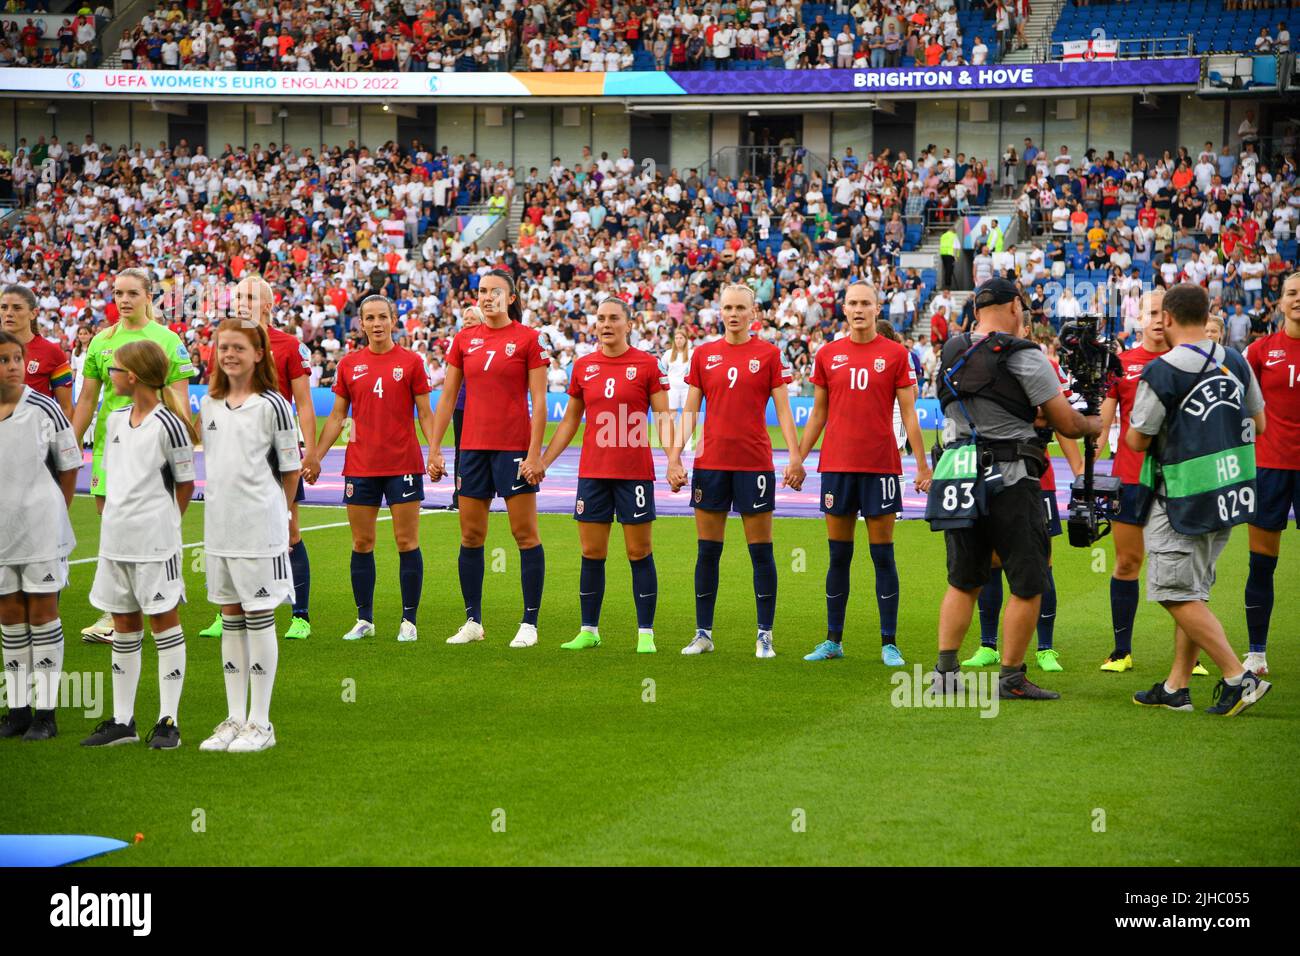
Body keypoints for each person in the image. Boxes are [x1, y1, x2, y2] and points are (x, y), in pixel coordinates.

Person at [926, 278, 1101, 700]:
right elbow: (1067, 422)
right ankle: (1010, 677)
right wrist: (1094, 423)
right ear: (1012, 307)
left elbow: (977, 407)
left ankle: (945, 672)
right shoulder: (1024, 355)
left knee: (963, 579)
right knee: (1028, 578)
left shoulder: (949, 352)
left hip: (959, 472)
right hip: (1011, 477)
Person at [1127, 283, 1270, 715]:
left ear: (1167, 318)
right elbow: (1259, 424)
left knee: (1174, 592)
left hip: (1181, 496)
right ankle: (1176, 687)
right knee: (1194, 590)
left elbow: (1136, 440)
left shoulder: (1162, 371)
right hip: (1227, 491)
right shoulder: (1236, 360)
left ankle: (1236, 676)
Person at [797, 282, 932, 664]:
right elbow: (819, 413)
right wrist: (798, 458)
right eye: (853, 303)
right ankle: (833, 640)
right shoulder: (827, 354)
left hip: (881, 466)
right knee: (838, 556)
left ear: (877, 308)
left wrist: (922, 465)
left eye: (865, 303)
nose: (858, 309)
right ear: (844, 308)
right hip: (837, 466)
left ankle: (889, 642)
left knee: (882, 556)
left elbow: (909, 414)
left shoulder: (895, 354)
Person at [674, 284, 805, 658]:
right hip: (711, 464)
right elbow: (690, 412)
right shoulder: (704, 355)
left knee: (761, 552)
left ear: (753, 314)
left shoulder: (768, 354)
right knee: (707, 552)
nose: (733, 314)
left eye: (739, 308)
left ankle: (765, 634)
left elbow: (783, 410)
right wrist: (674, 456)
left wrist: (795, 456)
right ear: (720, 311)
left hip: (754, 464)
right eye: (727, 307)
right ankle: (703, 633)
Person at [539, 298, 676, 653]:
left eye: (614, 318)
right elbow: (570, 419)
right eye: (600, 318)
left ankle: (645, 633)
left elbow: (664, 418)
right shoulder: (583, 366)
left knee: (639, 550)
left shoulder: (647, 365)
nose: (606, 323)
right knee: (592, 551)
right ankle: (589, 630)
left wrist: (674, 460)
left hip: (634, 474)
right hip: (594, 473)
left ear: (628, 324)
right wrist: (544, 461)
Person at [80, 339, 198, 748]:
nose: (108, 373)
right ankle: (122, 721)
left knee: (163, 621)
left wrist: (164, 523)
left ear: (132, 375)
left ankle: (168, 721)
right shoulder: (113, 419)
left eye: (114, 367)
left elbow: (186, 483)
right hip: (115, 541)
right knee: (125, 625)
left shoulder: (169, 424)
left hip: (154, 544)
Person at [306, 295, 438, 643]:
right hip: (361, 465)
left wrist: (436, 450)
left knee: (406, 541)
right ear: (361, 324)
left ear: (393, 321)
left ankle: (409, 620)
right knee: (362, 542)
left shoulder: (411, 362)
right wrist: (316, 455)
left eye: (383, 317)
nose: (377, 323)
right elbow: (337, 416)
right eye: (370, 318)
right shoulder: (349, 364)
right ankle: (364, 619)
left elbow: (425, 413)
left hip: (404, 464)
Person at [195, 321, 301, 753]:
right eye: (223, 347)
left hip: (260, 528)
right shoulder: (211, 405)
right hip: (219, 529)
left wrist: (286, 513)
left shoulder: (273, 405)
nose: (230, 354)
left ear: (259, 354)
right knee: (231, 619)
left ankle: (261, 722)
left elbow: (290, 467)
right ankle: (234, 717)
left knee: (259, 617)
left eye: (239, 347)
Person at [72, 268, 193, 645]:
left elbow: (179, 398)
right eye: (118, 293)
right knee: (112, 528)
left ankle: (160, 599)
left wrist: (183, 443)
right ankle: (118, 612)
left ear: (148, 297)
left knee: (158, 524)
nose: (124, 300)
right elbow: (88, 400)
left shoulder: (167, 339)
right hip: (111, 451)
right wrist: (70, 444)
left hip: (153, 450)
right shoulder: (101, 342)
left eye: (132, 294)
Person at [429, 270, 550, 648]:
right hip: (473, 452)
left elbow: (541, 401)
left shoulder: (529, 339)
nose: (486, 297)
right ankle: (473, 622)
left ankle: (529, 623)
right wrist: (434, 448)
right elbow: (447, 398)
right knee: (470, 535)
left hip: (513, 450)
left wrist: (534, 454)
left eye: (495, 291)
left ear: (511, 297)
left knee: (524, 534)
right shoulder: (464, 340)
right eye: (482, 291)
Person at [197, 275, 318, 641]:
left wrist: (310, 451)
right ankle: (227, 611)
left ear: (269, 303)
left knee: (290, 531)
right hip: (234, 451)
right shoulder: (227, 343)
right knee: (230, 532)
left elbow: (304, 402)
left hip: (274, 452)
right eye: (238, 297)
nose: (242, 303)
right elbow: (217, 393)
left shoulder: (289, 345)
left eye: (250, 297)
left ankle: (300, 614)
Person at [965, 305, 1085, 674]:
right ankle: (988, 645)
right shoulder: (977, 364)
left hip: (1035, 479)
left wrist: (1080, 471)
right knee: (991, 562)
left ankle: (1045, 648)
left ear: (1026, 330)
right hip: (989, 475)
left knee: (1041, 562)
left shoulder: (1040, 366)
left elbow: (1065, 423)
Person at [1094, 290, 1205, 674]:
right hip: (1130, 477)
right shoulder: (1122, 365)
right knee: (1128, 562)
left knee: (1187, 567)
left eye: (1165, 313)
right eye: (1152, 312)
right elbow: (1102, 425)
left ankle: (1191, 657)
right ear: (1140, 317)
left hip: (1183, 477)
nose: (1159, 319)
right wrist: (1088, 468)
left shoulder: (1193, 363)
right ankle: (1121, 650)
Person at [0, 330, 80, 741]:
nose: (13, 366)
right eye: (4, 360)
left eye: (17, 358)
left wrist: (57, 512)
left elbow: (69, 464)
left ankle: (46, 714)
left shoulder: (45, 407)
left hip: (40, 530)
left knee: (43, 615)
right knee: (10, 618)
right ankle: (17, 711)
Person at [1240, 271, 1300, 676]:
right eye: (1292, 293)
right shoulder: (1260, 351)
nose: (1298, 299)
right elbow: (1241, 407)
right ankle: (1257, 653)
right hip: (1270, 468)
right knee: (1262, 564)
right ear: (1278, 303)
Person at [1, 284, 72, 418]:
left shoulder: (52, 352)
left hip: (35, 435)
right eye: (4, 307)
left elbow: (66, 409)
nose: (8, 313)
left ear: (33, 313)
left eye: (17, 308)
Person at [660, 328, 693, 450]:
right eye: (677, 338)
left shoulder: (691, 353)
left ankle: (687, 444)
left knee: (687, 415)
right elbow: (662, 369)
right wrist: (664, 385)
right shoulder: (668, 354)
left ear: (686, 340)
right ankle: (673, 442)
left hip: (686, 388)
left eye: (681, 338)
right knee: (672, 415)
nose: (679, 341)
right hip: (672, 388)